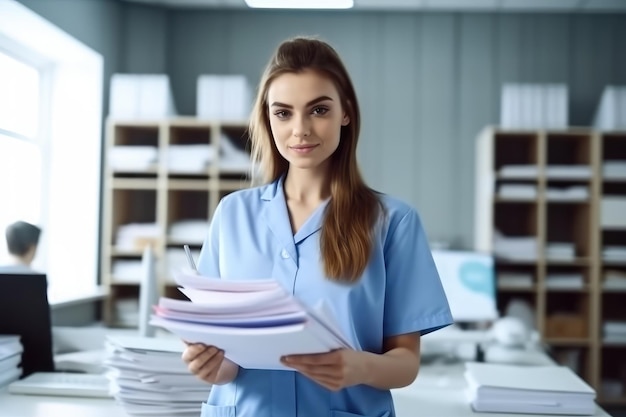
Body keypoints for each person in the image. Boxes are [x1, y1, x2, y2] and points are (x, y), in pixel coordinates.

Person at [182, 36, 453, 417]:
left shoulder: (393, 222)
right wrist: (208, 363)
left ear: (345, 112)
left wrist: (359, 367)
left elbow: (406, 363)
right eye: (283, 113)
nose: (300, 130)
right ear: (267, 118)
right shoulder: (232, 215)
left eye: (318, 110)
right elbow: (227, 363)